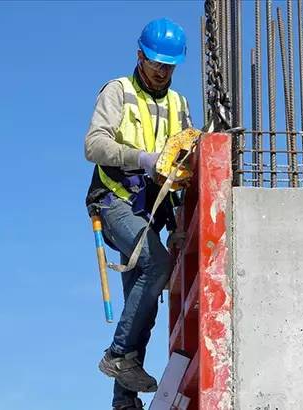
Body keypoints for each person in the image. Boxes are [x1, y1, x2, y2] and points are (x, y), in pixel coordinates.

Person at [83, 18, 192, 410]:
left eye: (169, 66)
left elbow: (182, 169)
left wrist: (180, 223)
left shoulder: (179, 105)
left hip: (152, 213)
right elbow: (94, 145)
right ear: (140, 55)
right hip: (115, 202)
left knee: (142, 302)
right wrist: (140, 159)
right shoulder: (120, 91)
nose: (162, 72)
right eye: (156, 63)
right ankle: (116, 356)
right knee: (154, 263)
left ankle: (124, 402)